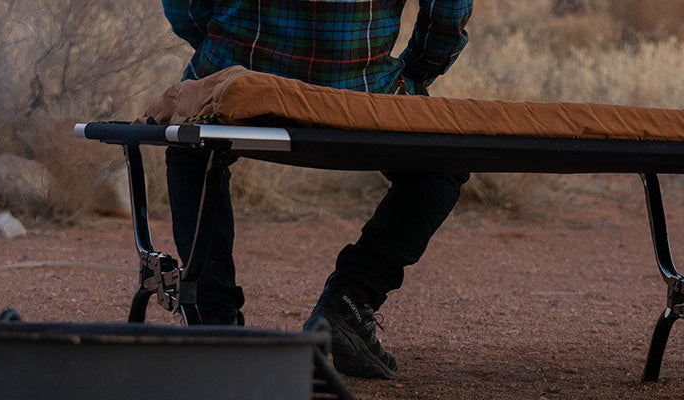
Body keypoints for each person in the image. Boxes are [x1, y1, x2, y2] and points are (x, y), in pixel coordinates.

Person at [160, 0, 473, 380]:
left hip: (236, 74)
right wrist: (416, 71)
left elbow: (185, 8)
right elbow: (448, 13)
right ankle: (352, 299)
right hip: (362, 88)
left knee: (191, 147)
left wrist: (224, 52)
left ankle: (212, 316)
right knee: (442, 164)